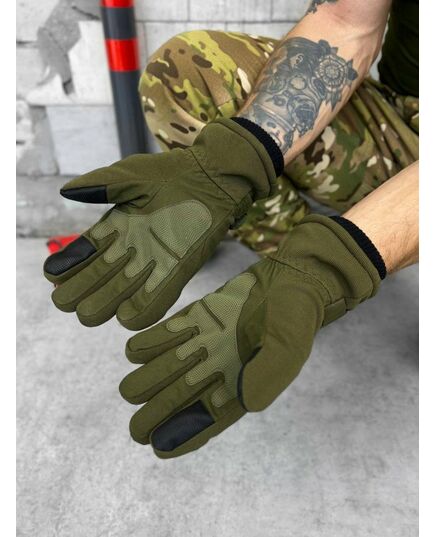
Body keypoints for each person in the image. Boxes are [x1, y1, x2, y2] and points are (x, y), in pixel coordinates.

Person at [44, 0, 418, 458]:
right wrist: (230, 161)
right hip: (399, 115)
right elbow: (346, 20)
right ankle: (287, 268)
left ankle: (330, 270)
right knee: (187, 70)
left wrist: (332, 264)